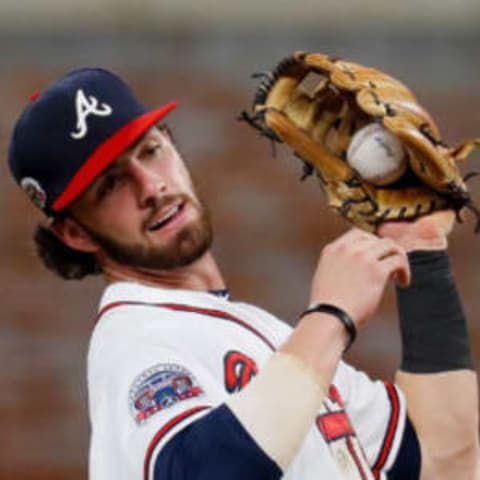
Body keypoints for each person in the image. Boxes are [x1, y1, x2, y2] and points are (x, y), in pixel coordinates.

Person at [8, 68, 479, 480]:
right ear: (75, 233)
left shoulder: (272, 342)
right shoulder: (137, 341)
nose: (151, 187)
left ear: (172, 143)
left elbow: (444, 458)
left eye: (150, 151)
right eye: (111, 184)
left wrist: (421, 254)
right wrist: (331, 316)